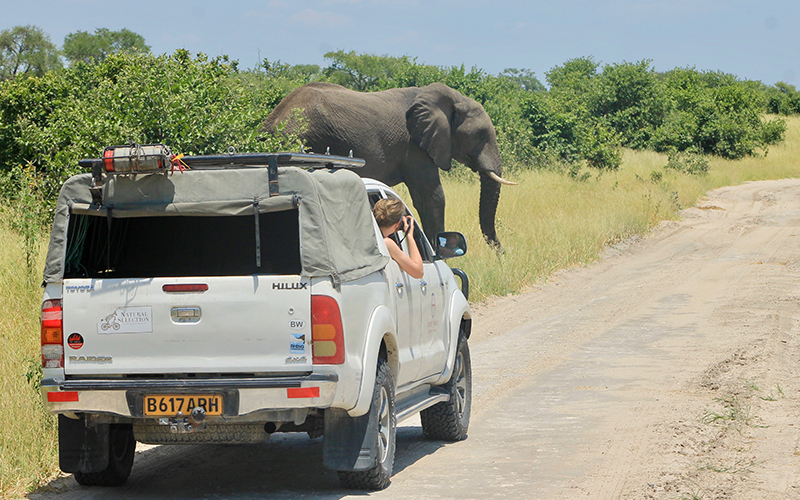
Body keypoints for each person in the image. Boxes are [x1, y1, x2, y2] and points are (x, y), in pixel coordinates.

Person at [372, 198, 424, 279]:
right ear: (397, 225)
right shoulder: (386, 243)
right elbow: (418, 272)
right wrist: (409, 236)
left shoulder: (365, 236)